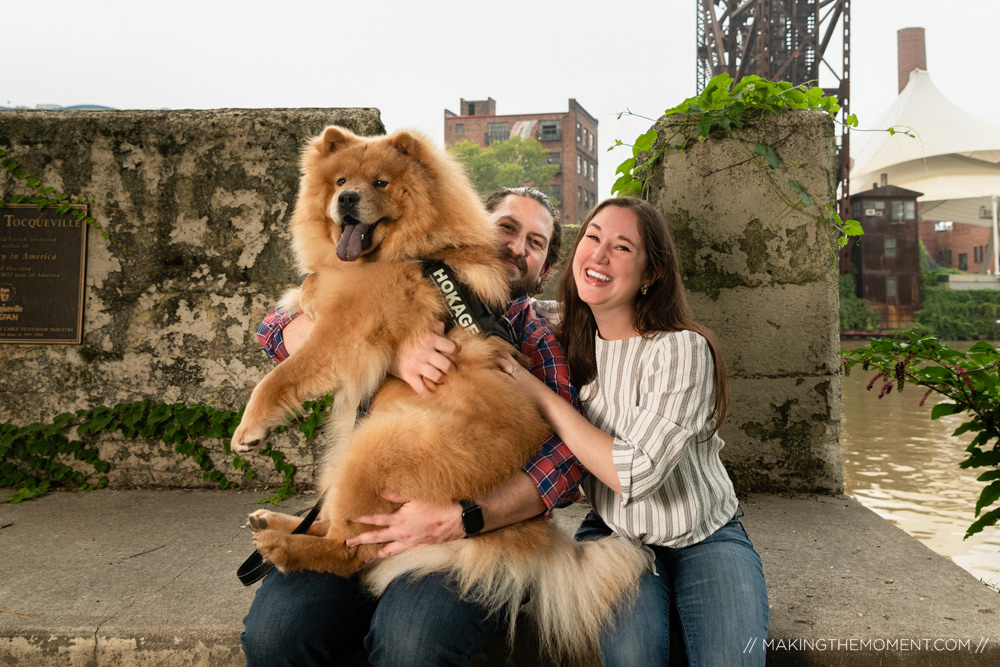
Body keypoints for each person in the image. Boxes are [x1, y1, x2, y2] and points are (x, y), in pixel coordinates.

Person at [241, 186, 585, 667]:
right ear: (472, 230)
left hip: (470, 534)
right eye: (507, 228)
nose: (517, 247)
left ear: (545, 269)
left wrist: (466, 515)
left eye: (536, 242)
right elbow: (275, 329)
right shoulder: (413, 280)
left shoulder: (535, 336)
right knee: (276, 637)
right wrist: (389, 352)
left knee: (413, 647)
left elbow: (567, 458)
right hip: (364, 510)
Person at [494, 196, 769, 666]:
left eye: (622, 248)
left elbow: (635, 474)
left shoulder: (682, 350)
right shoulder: (558, 330)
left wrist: (542, 397)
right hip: (613, 531)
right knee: (633, 658)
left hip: (705, 533)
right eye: (593, 238)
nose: (598, 256)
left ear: (651, 274)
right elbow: (487, 295)